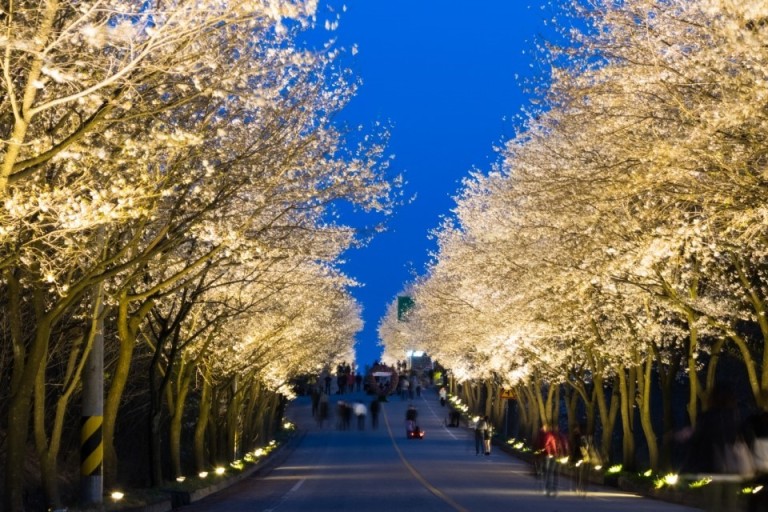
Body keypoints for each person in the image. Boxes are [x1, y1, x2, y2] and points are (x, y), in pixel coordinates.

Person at [681, 382, 752, 512]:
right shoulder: (736, 417)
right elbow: (746, 439)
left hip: (713, 466)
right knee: (732, 505)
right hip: (733, 467)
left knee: (712, 504)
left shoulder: (706, 417)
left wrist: (687, 466)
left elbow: (697, 442)